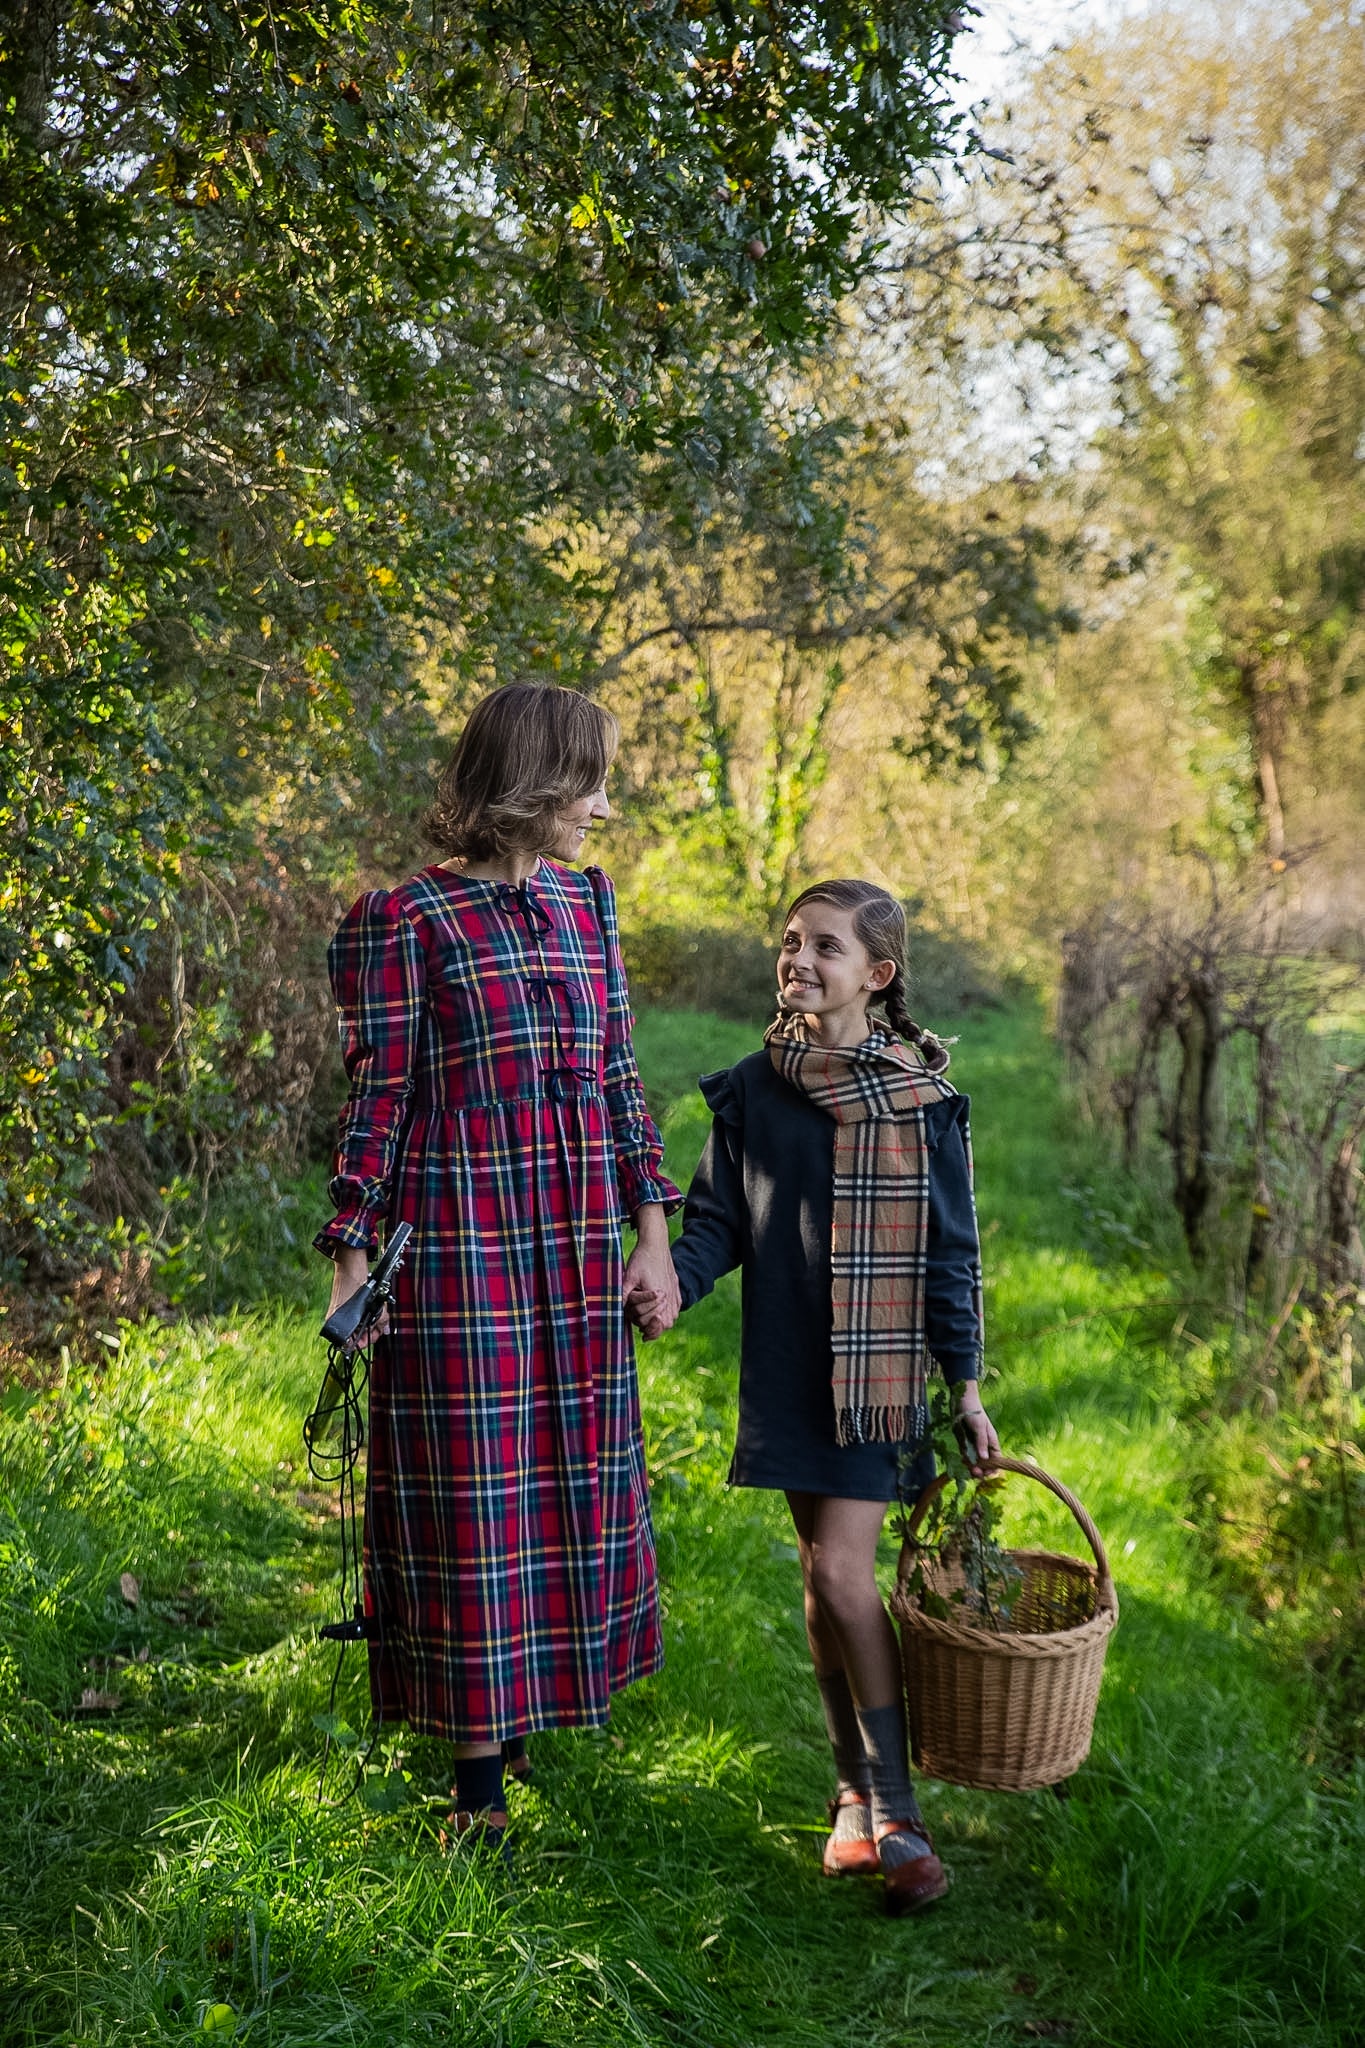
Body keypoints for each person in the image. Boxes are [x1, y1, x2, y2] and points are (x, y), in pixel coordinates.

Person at [314, 682, 681, 1849]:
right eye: (589, 784)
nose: (603, 808)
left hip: (573, 1237)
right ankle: (476, 1789)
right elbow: (377, 1101)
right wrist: (351, 1262)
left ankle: (520, 1709)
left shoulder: (586, 902)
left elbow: (618, 1076)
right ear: (531, 781)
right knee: (472, 1491)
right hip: (460, 1235)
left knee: (564, 1472)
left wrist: (653, 1233)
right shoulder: (405, 919)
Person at [633, 879, 998, 1914]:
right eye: (792, 941)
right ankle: (850, 1798)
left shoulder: (922, 1103)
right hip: (791, 1363)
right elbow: (716, 1223)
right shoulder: (756, 1086)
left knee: (842, 1572)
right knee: (818, 1574)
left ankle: (897, 1809)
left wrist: (966, 1387)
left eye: (826, 946)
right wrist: (669, 1283)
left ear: (876, 974)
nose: (799, 959)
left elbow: (952, 1257)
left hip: (880, 1378)